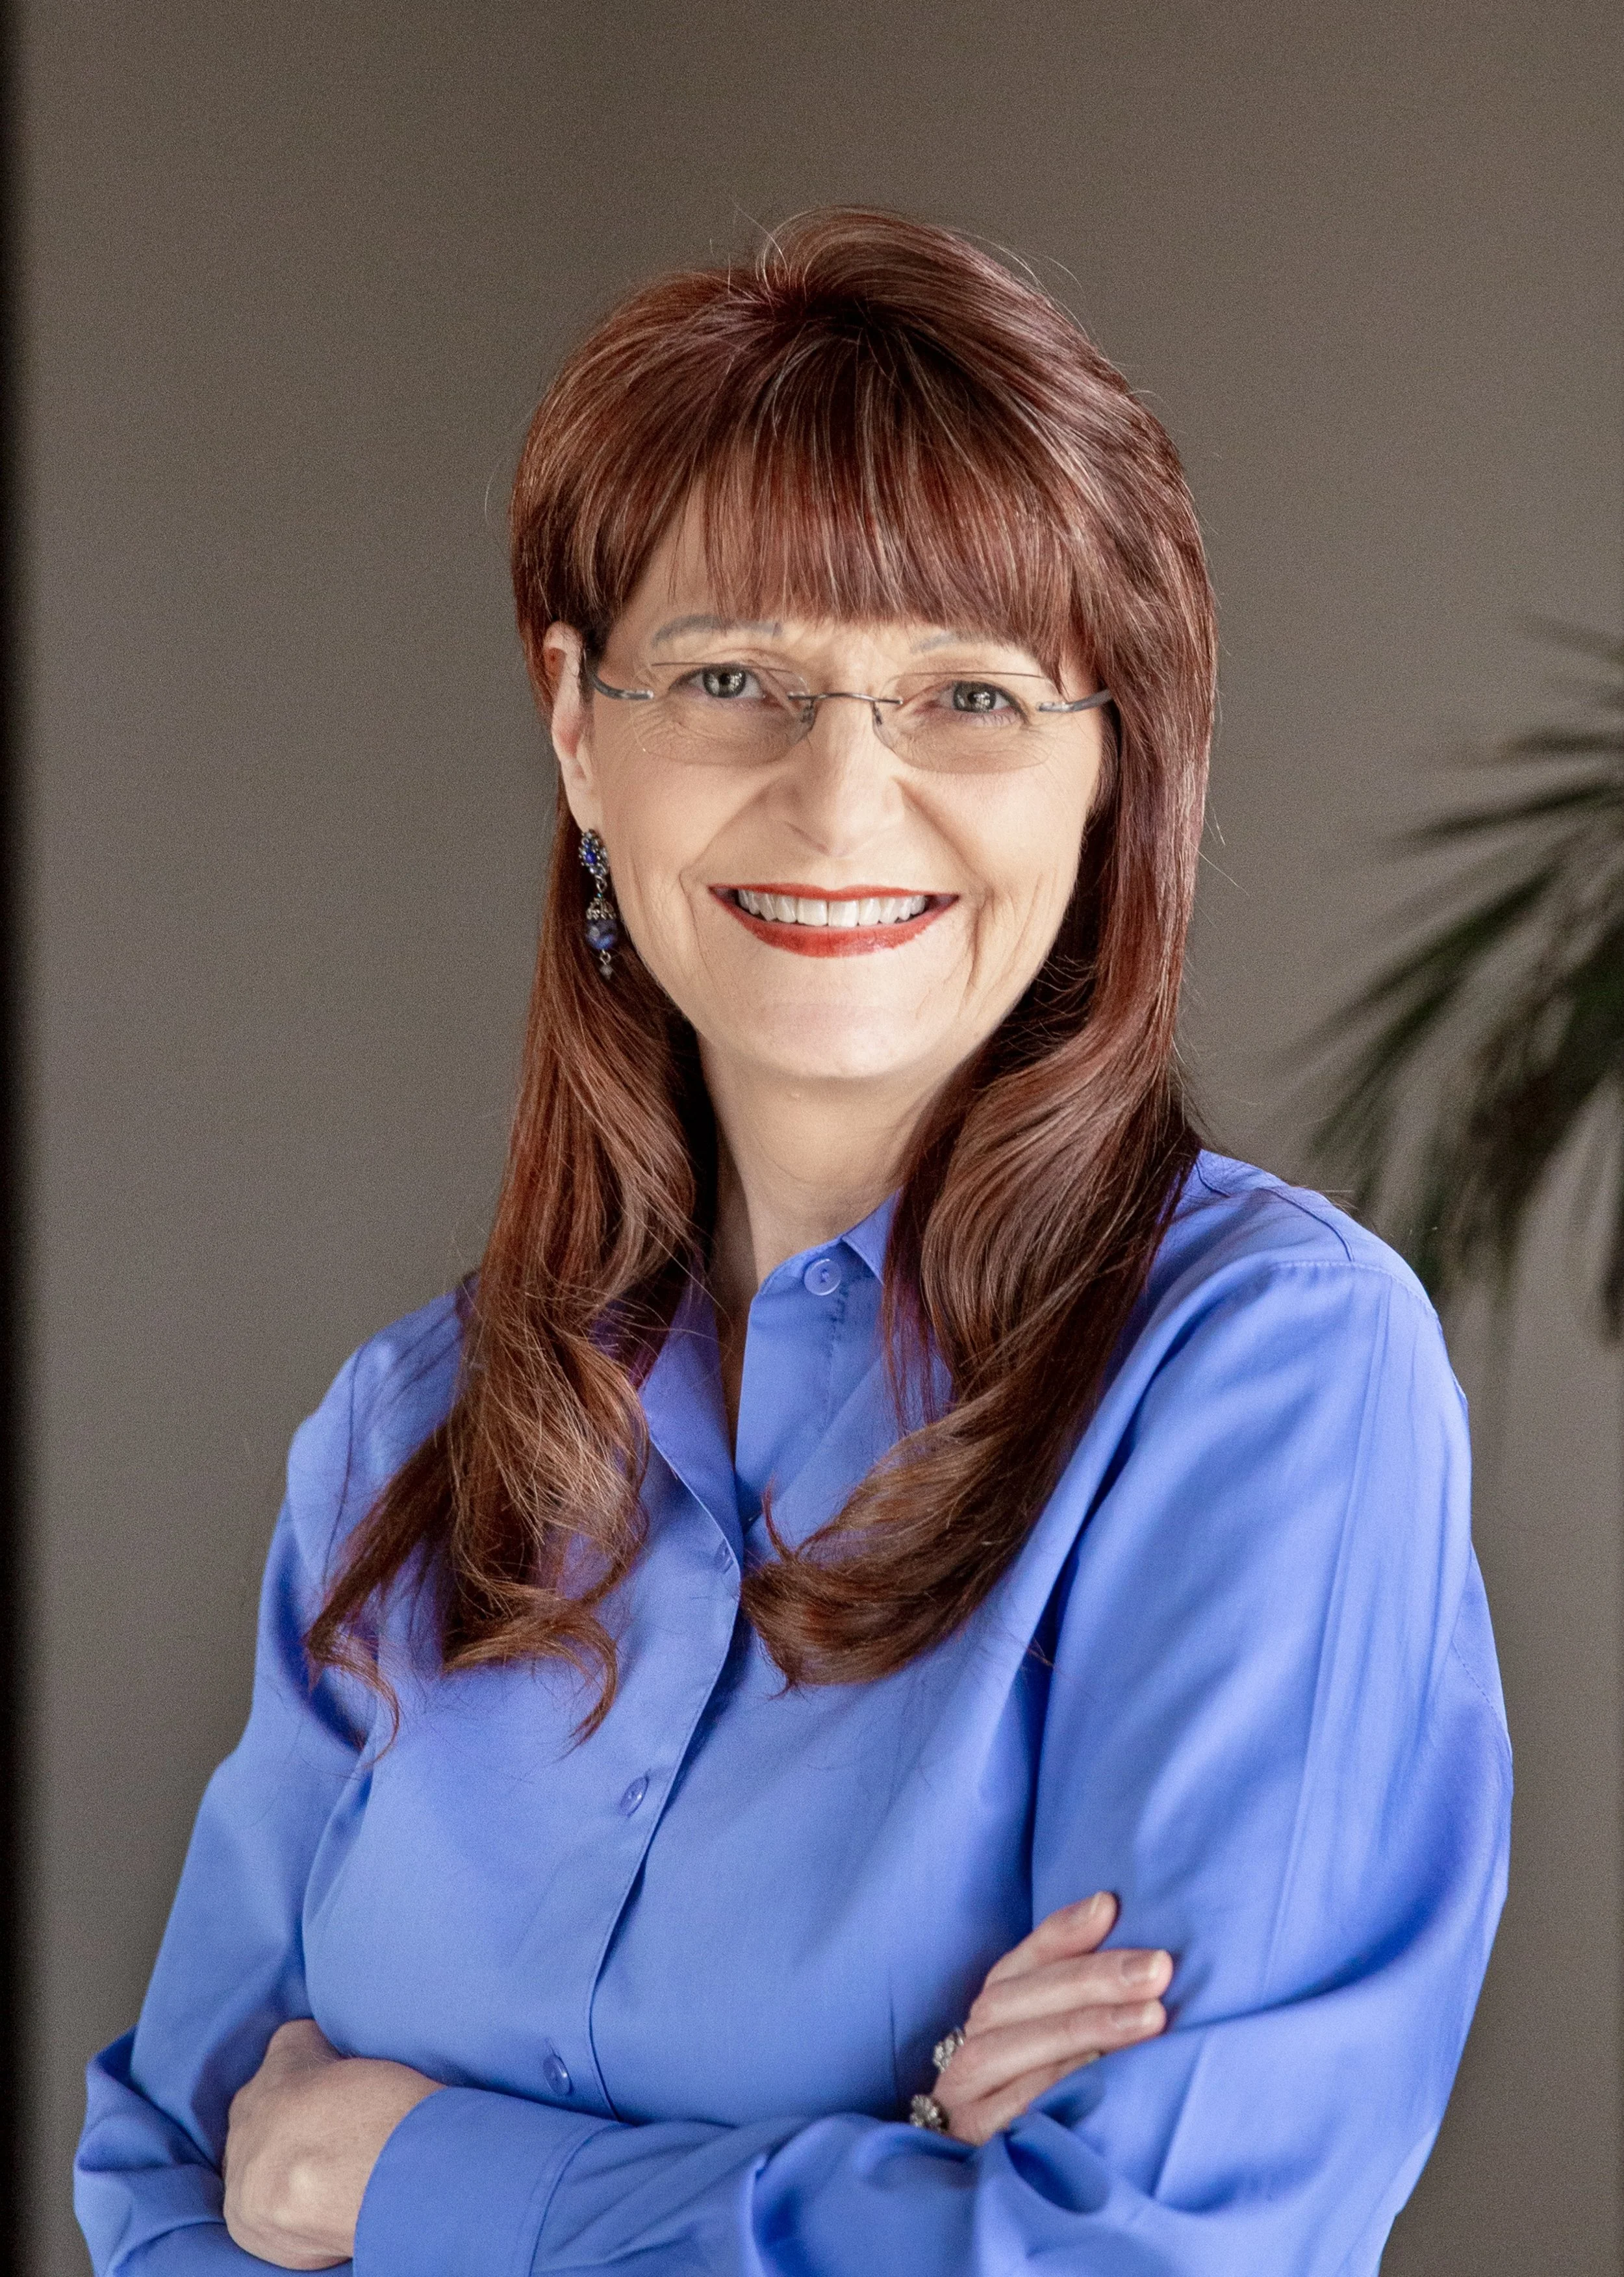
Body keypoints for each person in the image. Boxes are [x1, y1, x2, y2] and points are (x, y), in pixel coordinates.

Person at [75, 209, 1510, 2277]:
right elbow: (161, 2193)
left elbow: (1140, 2252)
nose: (841, 803)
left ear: (1109, 771)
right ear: (578, 727)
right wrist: (887, 2178)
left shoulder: (1270, 1376)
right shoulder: (409, 1431)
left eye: (967, 694)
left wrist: (399, 2178)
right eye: (733, 678)